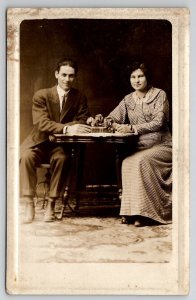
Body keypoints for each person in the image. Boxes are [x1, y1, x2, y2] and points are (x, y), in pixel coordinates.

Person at [20, 57, 91, 223]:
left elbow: (83, 120)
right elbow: (41, 123)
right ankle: (29, 203)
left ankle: (52, 204)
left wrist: (70, 127)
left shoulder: (79, 97)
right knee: (26, 157)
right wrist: (66, 128)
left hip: (59, 146)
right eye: (64, 75)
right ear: (56, 74)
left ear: (75, 77)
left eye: (71, 76)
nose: (67, 79)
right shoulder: (42, 95)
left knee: (62, 158)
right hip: (38, 142)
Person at [104, 61, 172, 227]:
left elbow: (159, 122)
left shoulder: (159, 94)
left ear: (147, 77)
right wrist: (107, 121)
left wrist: (131, 127)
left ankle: (146, 213)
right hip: (141, 147)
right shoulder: (128, 99)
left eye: (140, 76)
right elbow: (112, 117)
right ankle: (131, 211)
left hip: (163, 145)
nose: (137, 80)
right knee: (127, 163)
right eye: (133, 77)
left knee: (140, 161)